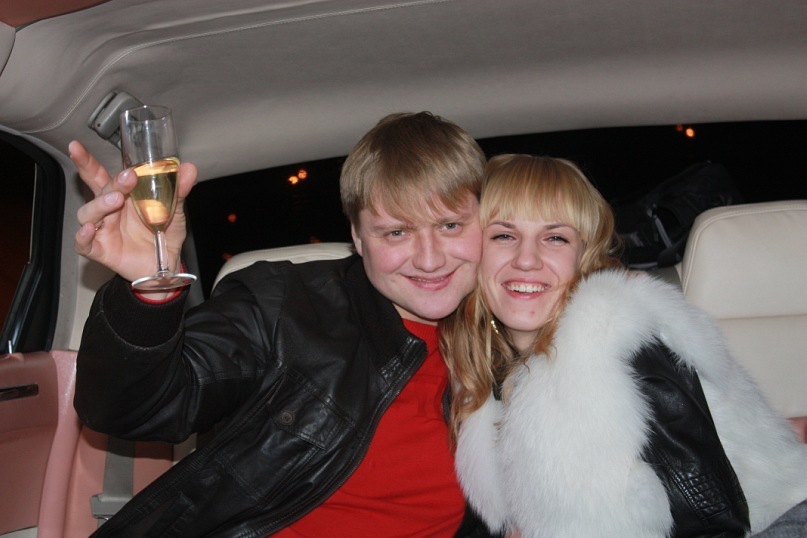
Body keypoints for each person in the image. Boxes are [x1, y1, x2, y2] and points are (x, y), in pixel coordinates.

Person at [71, 111, 495, 537]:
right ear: (358, 236)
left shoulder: (508, 347)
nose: (429, 259)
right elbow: (132, 408)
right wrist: (151, 295)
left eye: (450, 225)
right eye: (396, 233)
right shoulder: (284, 307)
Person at [440, 154, 807, 538]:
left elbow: (716, 523)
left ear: (583, 255)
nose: (527, 260)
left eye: (555, 238)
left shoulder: (623, 353)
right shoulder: (480, 371)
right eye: (504, 235)